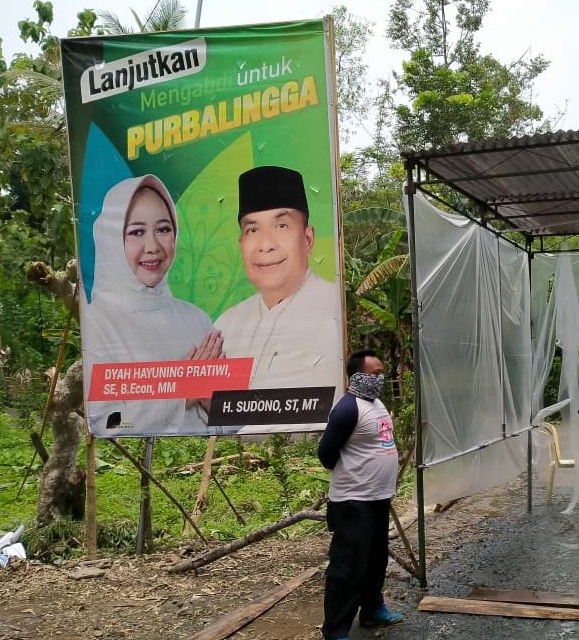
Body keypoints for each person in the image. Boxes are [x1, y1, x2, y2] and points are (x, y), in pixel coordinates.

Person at [81, 175, 222, 435]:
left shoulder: (196, 318)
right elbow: (107, 422)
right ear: (111, 241)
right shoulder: (97, 321)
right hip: (132, 469)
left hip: (206, 467)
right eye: (136, 232)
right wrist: (185, 392)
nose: (153, 246)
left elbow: (234, 421)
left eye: (163, 229)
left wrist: (212, 401)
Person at [215, 165, 343, 391]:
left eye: (281, 225)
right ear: (241, 244)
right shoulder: (225, 326)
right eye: (252, 230)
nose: (266, 245)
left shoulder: (336, 309)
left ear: (307, 239)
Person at [317, 349, 403, 640]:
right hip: (354, 502)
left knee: (376, 558)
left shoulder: (376, 403)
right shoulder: (347, 408)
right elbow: (326, 453)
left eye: (381, 373)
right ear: (358, 376)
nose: (380, 378)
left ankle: (372, 610)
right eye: (375, 374)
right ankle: (336, 630)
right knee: (348, 566)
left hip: (378, 498)